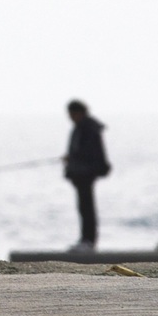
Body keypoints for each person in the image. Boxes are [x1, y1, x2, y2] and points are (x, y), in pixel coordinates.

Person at [62, 99, 110, 252]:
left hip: (85, 173)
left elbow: (88, 152)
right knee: (84, 207)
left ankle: (88, 241)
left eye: (71, 114)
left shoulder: (87, 128)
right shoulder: (84, 127)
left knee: (86, 208)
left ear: (78, 113)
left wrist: (73, 157)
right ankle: (86, 240)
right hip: (82, 172)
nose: (69, 117)